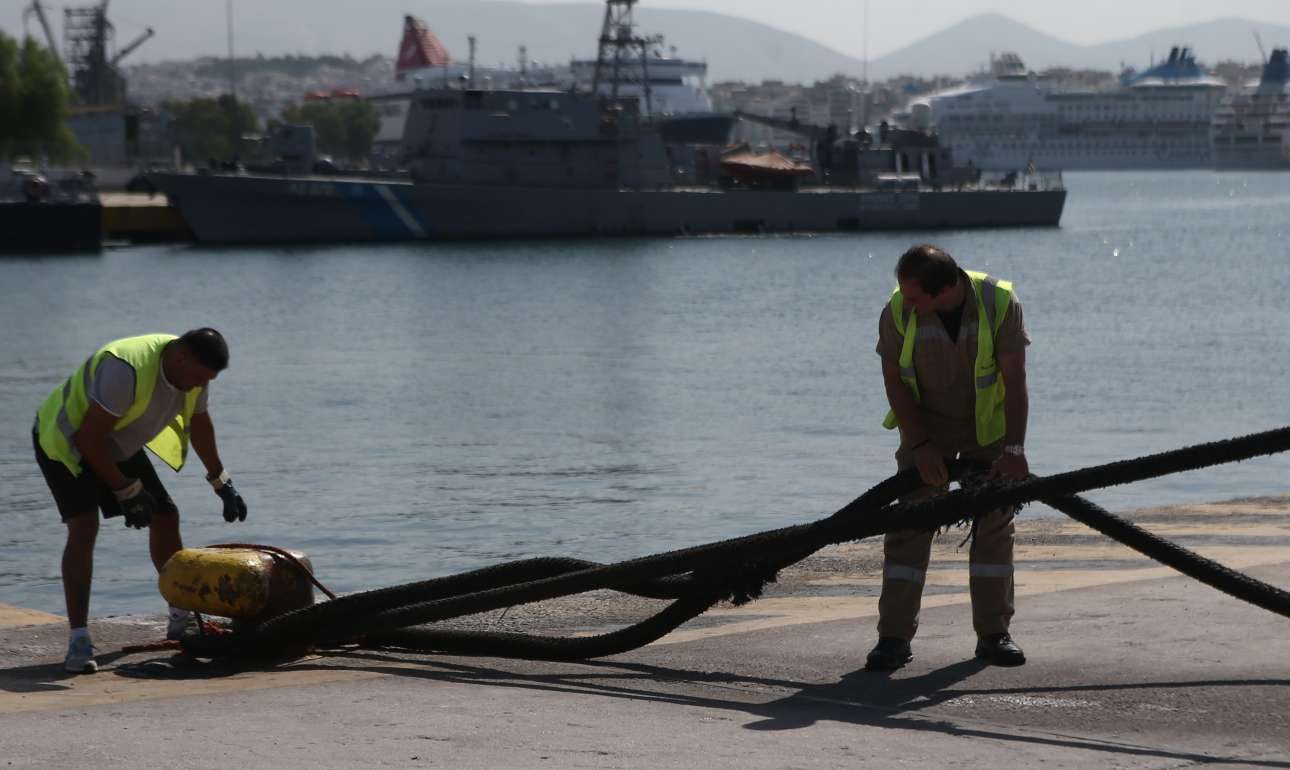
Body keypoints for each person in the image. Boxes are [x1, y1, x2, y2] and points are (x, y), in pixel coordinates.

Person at [32, 329, 248, 674]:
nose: (197, 387)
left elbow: (199, 422)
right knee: (84, 526)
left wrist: (221, 481)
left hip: (116, 441)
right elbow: (88, 438)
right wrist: (126, 491)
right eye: (196, 378)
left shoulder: (195, 374)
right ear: (181, 358)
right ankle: (78, 639)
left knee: (166, 516)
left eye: (206, 381)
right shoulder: (125, 369)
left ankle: (181, 619)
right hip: (67, 441)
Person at [867, 245, 1030, 671]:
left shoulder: (999, 303)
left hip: (985, 433)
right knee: (909, 524)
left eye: (916, 297)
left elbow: (1015, 380)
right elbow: (893, 382)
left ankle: (995, 635)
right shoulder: (898, 311)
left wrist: (1014, 450)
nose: (907, 303)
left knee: (995, 524)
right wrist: (920, 446)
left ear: (945, 289)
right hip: (927, 429)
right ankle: (893, 639)